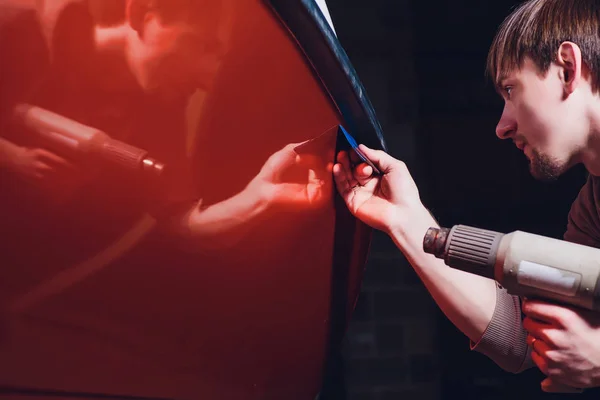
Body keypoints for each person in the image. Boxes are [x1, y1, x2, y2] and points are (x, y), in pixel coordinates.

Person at [0, 0, 331, 397]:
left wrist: (259, 199)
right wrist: (12, 159)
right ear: (142, 15)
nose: (207, 77)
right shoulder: (18, 21)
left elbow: (180, 222)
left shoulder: (158, 118)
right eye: (201, 46)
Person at [333, 0, 600, 394]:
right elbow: (521, 337)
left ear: (567, 67)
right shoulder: (591, 210)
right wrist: (409, 223)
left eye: (511, 89)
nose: (502, 126)